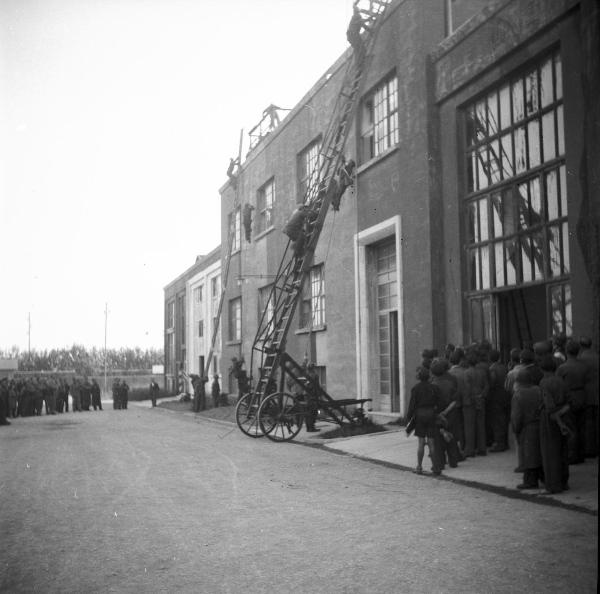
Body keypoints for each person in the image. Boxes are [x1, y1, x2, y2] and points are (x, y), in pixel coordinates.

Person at [539, 355, 570, 494]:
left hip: (550, 419)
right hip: (564, 413)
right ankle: (564, 482)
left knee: (550, 452)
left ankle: (553, 485)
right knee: (562, 449)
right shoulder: (561, 381)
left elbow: (549, 406)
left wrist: (558, 421)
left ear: (542, 369)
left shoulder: (544, 383)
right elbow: (570, 401)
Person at [556, 339, 589, 464]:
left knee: (571, 427)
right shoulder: (584, 366)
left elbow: (559, 385)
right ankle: (581, 454)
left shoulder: (562, 368)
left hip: (569, 398)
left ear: (566, 351)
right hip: (582, 395)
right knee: (581, 427)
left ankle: (572, 455)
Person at [511, 368, 544, 489]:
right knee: (539, 453)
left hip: (527, 427)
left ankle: (530, 481)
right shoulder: (538, 390)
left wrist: (516, 429)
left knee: (528, 455)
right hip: (540, 425)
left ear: (518, 382)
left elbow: (516, 416)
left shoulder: (518, 394)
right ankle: (543, 476)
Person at [406, 366, 442, 475]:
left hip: (420, 415)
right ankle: (436, 467)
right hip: (431, 414)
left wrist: (409, 419)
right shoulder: (434, 388)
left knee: (421, 442)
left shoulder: (415, 388)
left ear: (419, 377)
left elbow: (412, 406)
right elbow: (440, 403)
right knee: (431, 442)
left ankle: (419, 467)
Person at [578, 336, 598, 458]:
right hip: (597, 393)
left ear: (581, 346)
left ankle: (590, 449)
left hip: (587, 395)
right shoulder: (597, 356)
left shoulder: (581, 359)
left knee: (588, 423)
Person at [488, 350, 510, 452]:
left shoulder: (492, 369)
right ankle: (505, 442)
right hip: (505, 395)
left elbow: (492, 383)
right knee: (504, 419)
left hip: (496, 396)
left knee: (497, 420)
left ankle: (499, 443)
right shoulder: (504, 367)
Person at [304, 363, 320, 432]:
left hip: (306, 395)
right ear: (313, 368)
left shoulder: (305, 375)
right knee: (313, 412)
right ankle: (312, 428)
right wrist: (319, 395)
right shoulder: (315, 375)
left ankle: (308, 428)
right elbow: (316, 386)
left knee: (308, 412)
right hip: (312, 396)